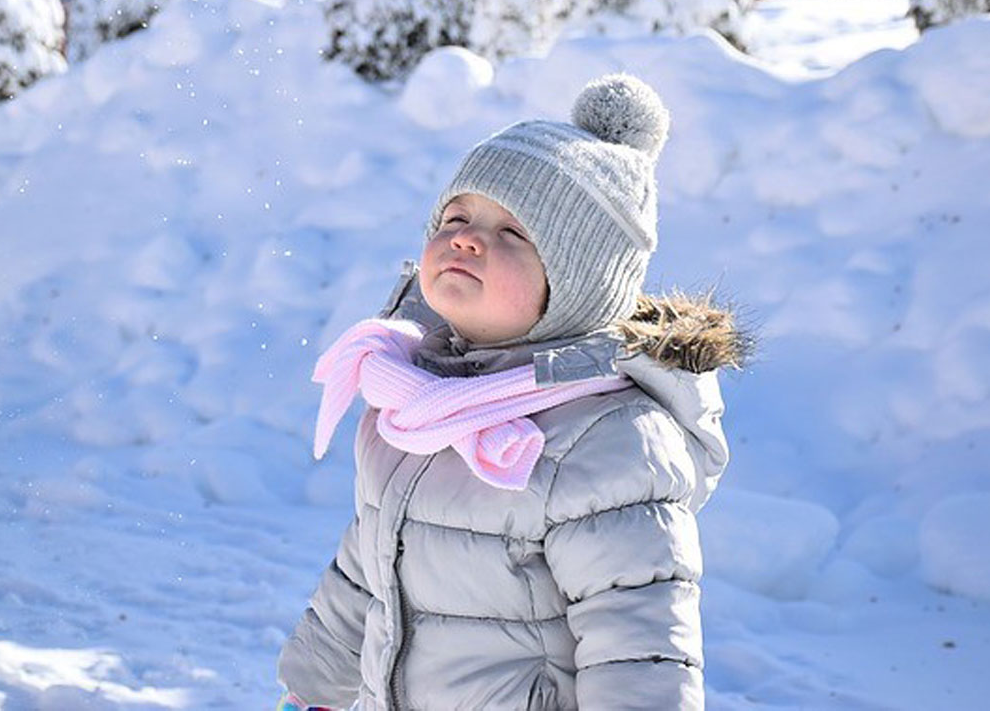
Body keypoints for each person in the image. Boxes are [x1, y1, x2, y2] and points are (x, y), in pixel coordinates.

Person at [275, 73, 748, 711]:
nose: (468, 238)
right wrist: (313, 690)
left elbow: (640, 645)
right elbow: (368, 569)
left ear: (576, 285)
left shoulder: (609, 439)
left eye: (514, 234)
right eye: (458, 216)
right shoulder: (414, 398)